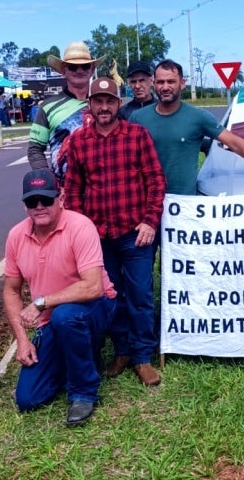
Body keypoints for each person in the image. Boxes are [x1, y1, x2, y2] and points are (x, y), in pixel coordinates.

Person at [65, 77, 166, 386]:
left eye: (110, 101)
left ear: (118, 104)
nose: (105, 107)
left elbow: (156, 182)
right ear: (90, 105)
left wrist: (150, 220)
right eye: (99, 101)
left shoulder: (137, 136)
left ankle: (142, 356)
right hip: (97, 236)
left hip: (135, 233)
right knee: (112, 295)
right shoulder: (80, 141)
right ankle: (121, 350)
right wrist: (80, 233)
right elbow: (72, 192)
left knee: (140, 295)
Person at [3, 169, 117, 426]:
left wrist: (41, 302)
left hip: (95, 306)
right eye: (33, 202)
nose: (40, 206)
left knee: (66, 317)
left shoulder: (80, 227)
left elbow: (93, 287)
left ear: (61, 197)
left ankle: (84, 392)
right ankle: (79, 354)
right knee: (28, 398)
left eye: (46, 199)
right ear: (25, 206)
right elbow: (11, 290)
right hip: (52, 320)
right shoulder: (16, 236)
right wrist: (22, 340)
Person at [130, 59, 244, 195]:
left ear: (182, 83)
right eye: (160, 82)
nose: (165, 87)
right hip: (146, 204)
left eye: (171, 81)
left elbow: (234, 142)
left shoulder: (198, 117)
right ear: (153, 83)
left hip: (182, 206)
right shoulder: (138, 118)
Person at [28, 41, 105, 181]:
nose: (80, 70)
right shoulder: (47, 107)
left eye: (85, 66)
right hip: (65, 192)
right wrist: (48, 180)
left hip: (103, 191)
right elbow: (35, 149)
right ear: (64, 70)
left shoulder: (106, 105)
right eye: (73, 67)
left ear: (92, 69)